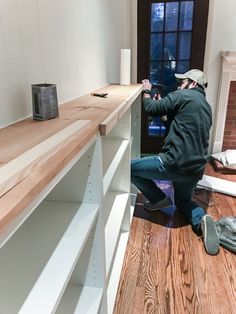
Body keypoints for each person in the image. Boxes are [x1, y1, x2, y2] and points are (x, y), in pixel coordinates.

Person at [131, 69, 220, 255]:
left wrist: (147, 91)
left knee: (129, 169)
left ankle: (158, 199)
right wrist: (161, 101)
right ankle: (201, 220)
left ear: (193, 84)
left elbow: (150, 109)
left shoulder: (183, 94)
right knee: (182, 202)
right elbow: (171, 120)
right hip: (195, 169)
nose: (180, 85)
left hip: (174, 163)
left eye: (183, 81)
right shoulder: (205, 106)